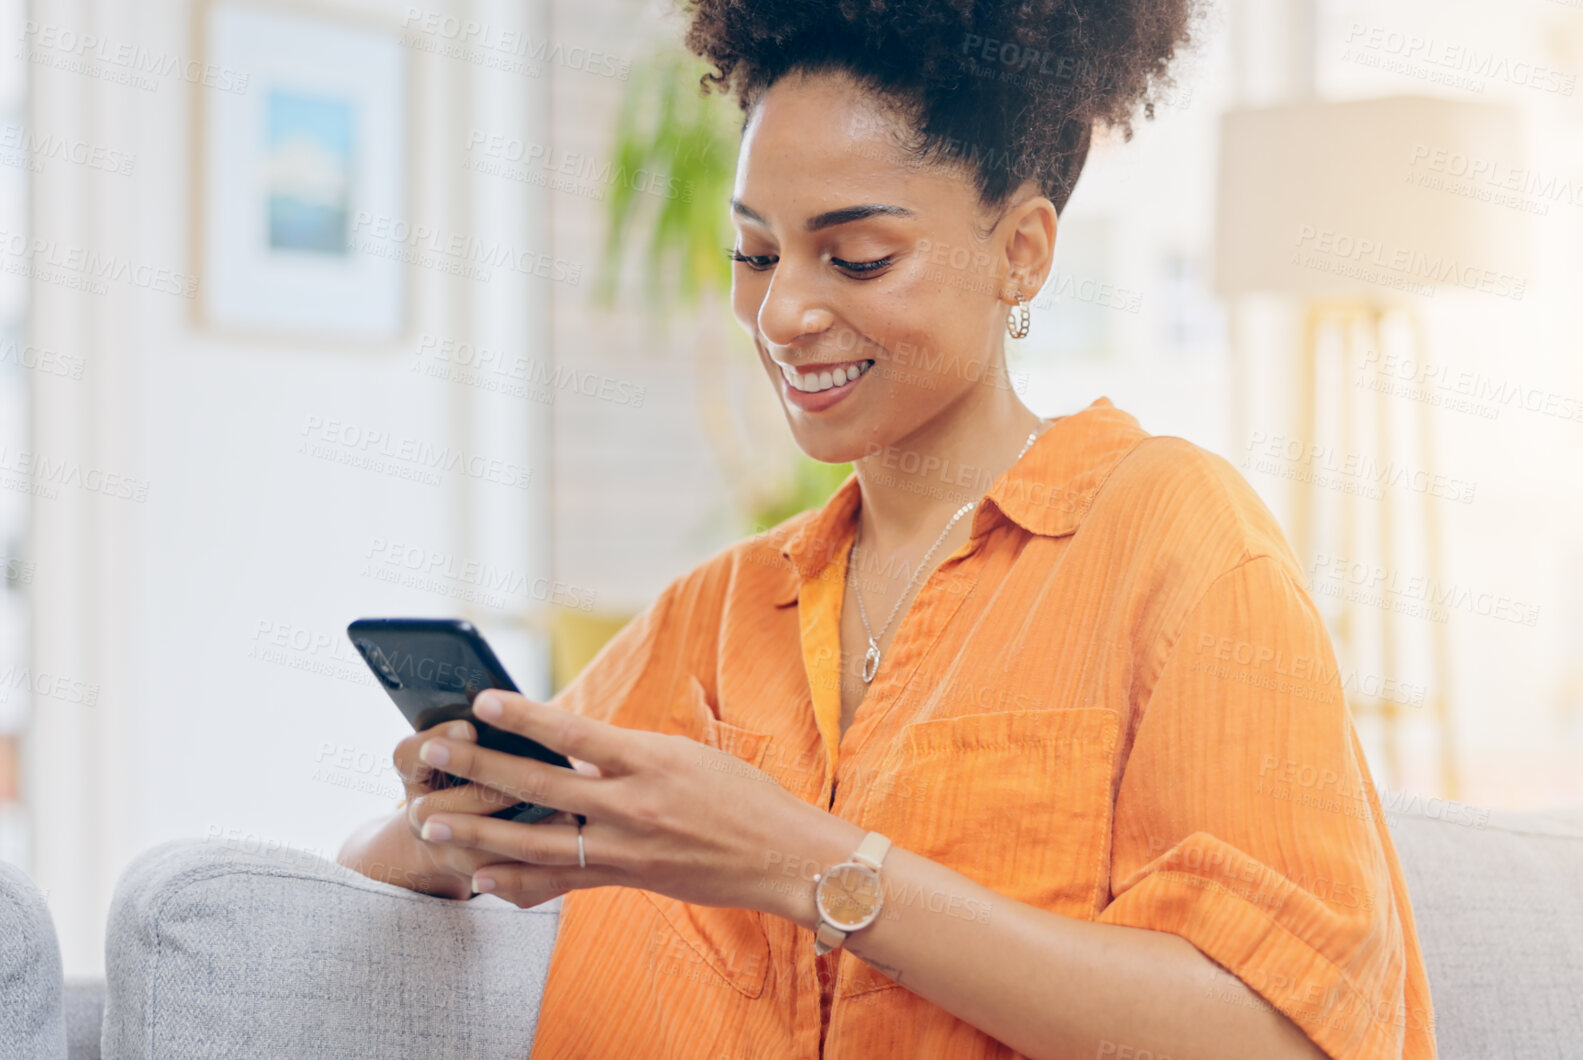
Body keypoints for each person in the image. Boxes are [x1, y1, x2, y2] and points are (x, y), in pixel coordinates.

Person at [338, 1, 1436, 1056]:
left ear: (1022, 252)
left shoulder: (1178, 540)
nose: (782, 314)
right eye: (755, 254)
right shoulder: (718, 613)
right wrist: (451, 822)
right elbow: (364, 866)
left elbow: (1281, 1038)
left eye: (857, 256)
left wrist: (794, 860)